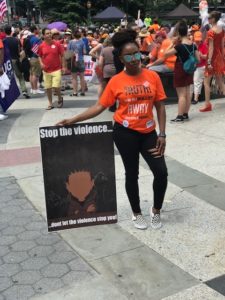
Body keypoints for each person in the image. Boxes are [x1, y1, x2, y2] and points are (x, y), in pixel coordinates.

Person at [56, 29, 168, 230]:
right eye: (129, 56)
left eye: (137, 54)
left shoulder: (153, 77)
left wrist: (162, 133)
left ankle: (156, 210)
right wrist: (74, 119)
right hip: (125, 134)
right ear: (121, 59)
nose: (135, 59)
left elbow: (160, 106)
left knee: (161, 172)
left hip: (149, 134)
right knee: (131, 173)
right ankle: (136, 213)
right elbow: (99, 107)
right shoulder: (116, 81)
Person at [165, 20, 199, 122]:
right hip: (189, 70)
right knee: (187, 93)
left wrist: (172, 43)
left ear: (179, 32)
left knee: (181, 95)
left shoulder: (179, 46)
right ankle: (185, 114)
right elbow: (198, 59)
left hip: (180, 69)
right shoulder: (193, 45)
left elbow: (165, 54)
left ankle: (179, 116)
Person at [200, 11, 225, 112]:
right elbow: (222, 46)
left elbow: (211, 48)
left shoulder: (211, 32)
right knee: (220, 81)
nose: (208, 19)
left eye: (210, 18)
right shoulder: (222, 30)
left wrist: (209, 61)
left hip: (212, 58)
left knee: (206, 82)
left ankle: (207, 104)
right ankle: (207, 104)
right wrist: (223, 58)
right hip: (219, 58)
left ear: (214, 19)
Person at [38, 28, 65, 110]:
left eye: (50, 33)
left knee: (56, 86)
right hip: (46, 70)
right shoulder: (41, 46)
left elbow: (62, 56)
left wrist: (63, 67)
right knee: (48, 88)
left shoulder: (57, 44)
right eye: (47, 33)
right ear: (43, 35)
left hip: (56, 69)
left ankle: (60, 98)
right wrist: (41, 63)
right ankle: (50, 103)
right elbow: (39, 56)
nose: (49, 34)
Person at [4, 25, 30, 99]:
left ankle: (8, 94)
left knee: (8, 78)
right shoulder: (16, 40)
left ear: (5, 32)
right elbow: (19, 50)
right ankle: (24, 90)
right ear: (11, 31)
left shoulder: (4, 41)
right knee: (20, 76)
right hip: (16, 59)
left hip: (7, 61)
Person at [26, 25, 44, 95]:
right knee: (36, 74)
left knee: (31, 73)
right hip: (35, 57)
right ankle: (36, 89)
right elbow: (38, 49)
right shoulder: (36, 39)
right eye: (38, 29)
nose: (39, 29)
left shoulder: (28, 37)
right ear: (35, 30)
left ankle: (32, 88)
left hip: (30, 57)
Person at [191, 31, 208, 104]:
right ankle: (197, 98)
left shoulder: (204, 45)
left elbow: (207, 57)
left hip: (202, 66)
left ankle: (196, 99)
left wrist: (200, 55)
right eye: (196, 40)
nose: (198, 42)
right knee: (198, 82)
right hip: (196, 66)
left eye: (199, 40)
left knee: (197, 82)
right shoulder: (192, 45)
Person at [68, 30, 86, 97]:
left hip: (73, 60)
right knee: (82, 77)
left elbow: (68, 52)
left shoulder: (70, 42)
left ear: (73, 35)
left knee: (74, 77)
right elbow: (84, 52)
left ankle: (75, 92)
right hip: (81, 60)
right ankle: (83, 91)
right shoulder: (82, 42)